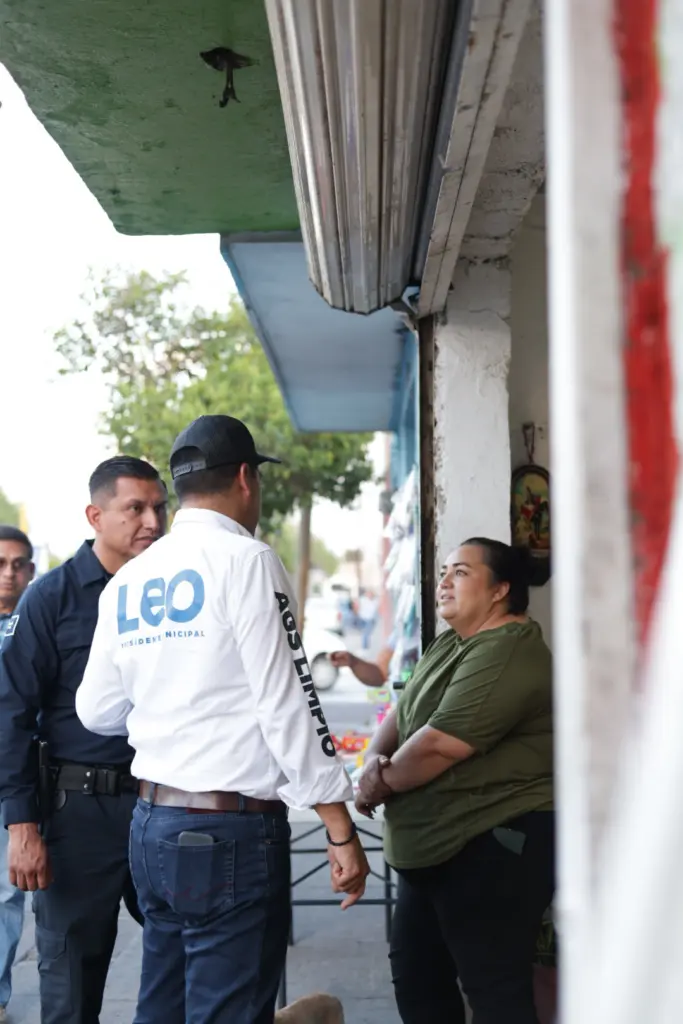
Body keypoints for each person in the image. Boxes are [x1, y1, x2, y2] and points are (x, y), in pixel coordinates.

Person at [76, 414, 370, 1024]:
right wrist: (339, 828)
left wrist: (171, 702)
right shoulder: (247, 561)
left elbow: (96, 710)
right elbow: (290, 704)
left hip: (151, 825)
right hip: (229, 833)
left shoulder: (129, 579)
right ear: (244, 478)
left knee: (163, 1007)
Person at [356, 538, 554, 1024]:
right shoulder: (452, 641)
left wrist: (378, 783)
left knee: (495, 994)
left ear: (500, 590)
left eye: (461, 572)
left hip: (492, 844)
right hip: (436, 848)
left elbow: (439, 744)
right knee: (418, 980)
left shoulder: (509, 650)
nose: (444, 581)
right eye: (444, 571)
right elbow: (405, 710)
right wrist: (373, 760)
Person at [0, 457, 168, 1024]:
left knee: (186, 972)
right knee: (71, 989)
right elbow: (11, 714)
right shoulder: (50, 598)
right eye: (135, 508)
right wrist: (22, 827)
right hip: (79, 815)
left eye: (159, 507)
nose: (152, 521)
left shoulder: (172, 592)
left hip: (165, 807)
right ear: (96, 516)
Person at [0, 526, 35, 1022]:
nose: (8, 573)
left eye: (17, 564)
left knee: (7, 893)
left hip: (17, 780)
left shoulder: (34, 623)